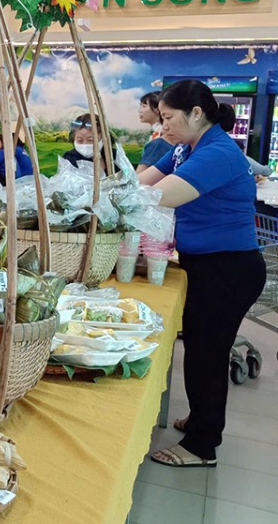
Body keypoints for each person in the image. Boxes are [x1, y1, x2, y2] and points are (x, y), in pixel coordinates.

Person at [139, 80, 264, 468]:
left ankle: (202, 446)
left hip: (228, 267)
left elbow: (162, 195)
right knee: (198, 347)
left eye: (168, 118)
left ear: (196, 113)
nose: (163, 127)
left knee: (206, 356)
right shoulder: (183, 149)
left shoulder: (220, 152)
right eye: (160, 119)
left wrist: (118, 199)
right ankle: (201, 418)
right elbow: (142, 182)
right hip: (204, 264)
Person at [137, 91, 172, 173]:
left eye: (144, 106)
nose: (140, 111)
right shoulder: (155, 132)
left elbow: (140, 177)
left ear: (157, 109)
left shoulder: (161, 138)